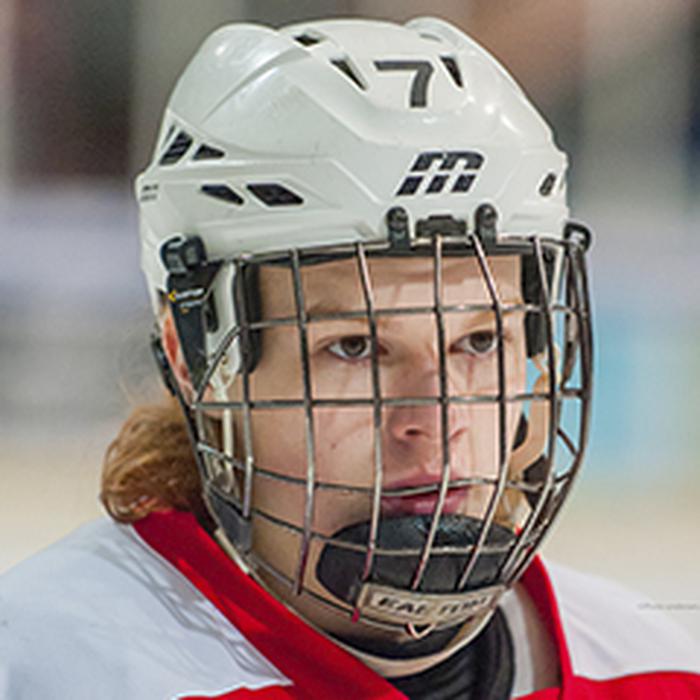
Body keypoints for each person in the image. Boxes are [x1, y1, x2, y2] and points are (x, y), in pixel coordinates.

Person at [1, 16, 699, 700]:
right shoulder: (47, 668)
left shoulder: (659, 670)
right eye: (356, 348)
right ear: (196, 357)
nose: (436, 421)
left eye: (481, 341)